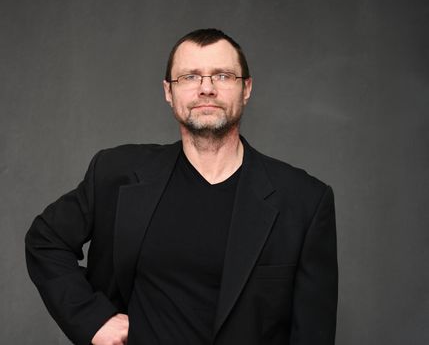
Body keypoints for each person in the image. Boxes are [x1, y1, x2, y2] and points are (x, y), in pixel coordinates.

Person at [25, 28, 338, 345]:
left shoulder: (305, 200)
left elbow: (313, 333)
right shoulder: (116, 173)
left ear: (246, 88)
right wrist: (92, 319)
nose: (206, 89)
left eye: (223, 76)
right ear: (168, 92)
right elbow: (45, 240)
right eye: (190, 77)